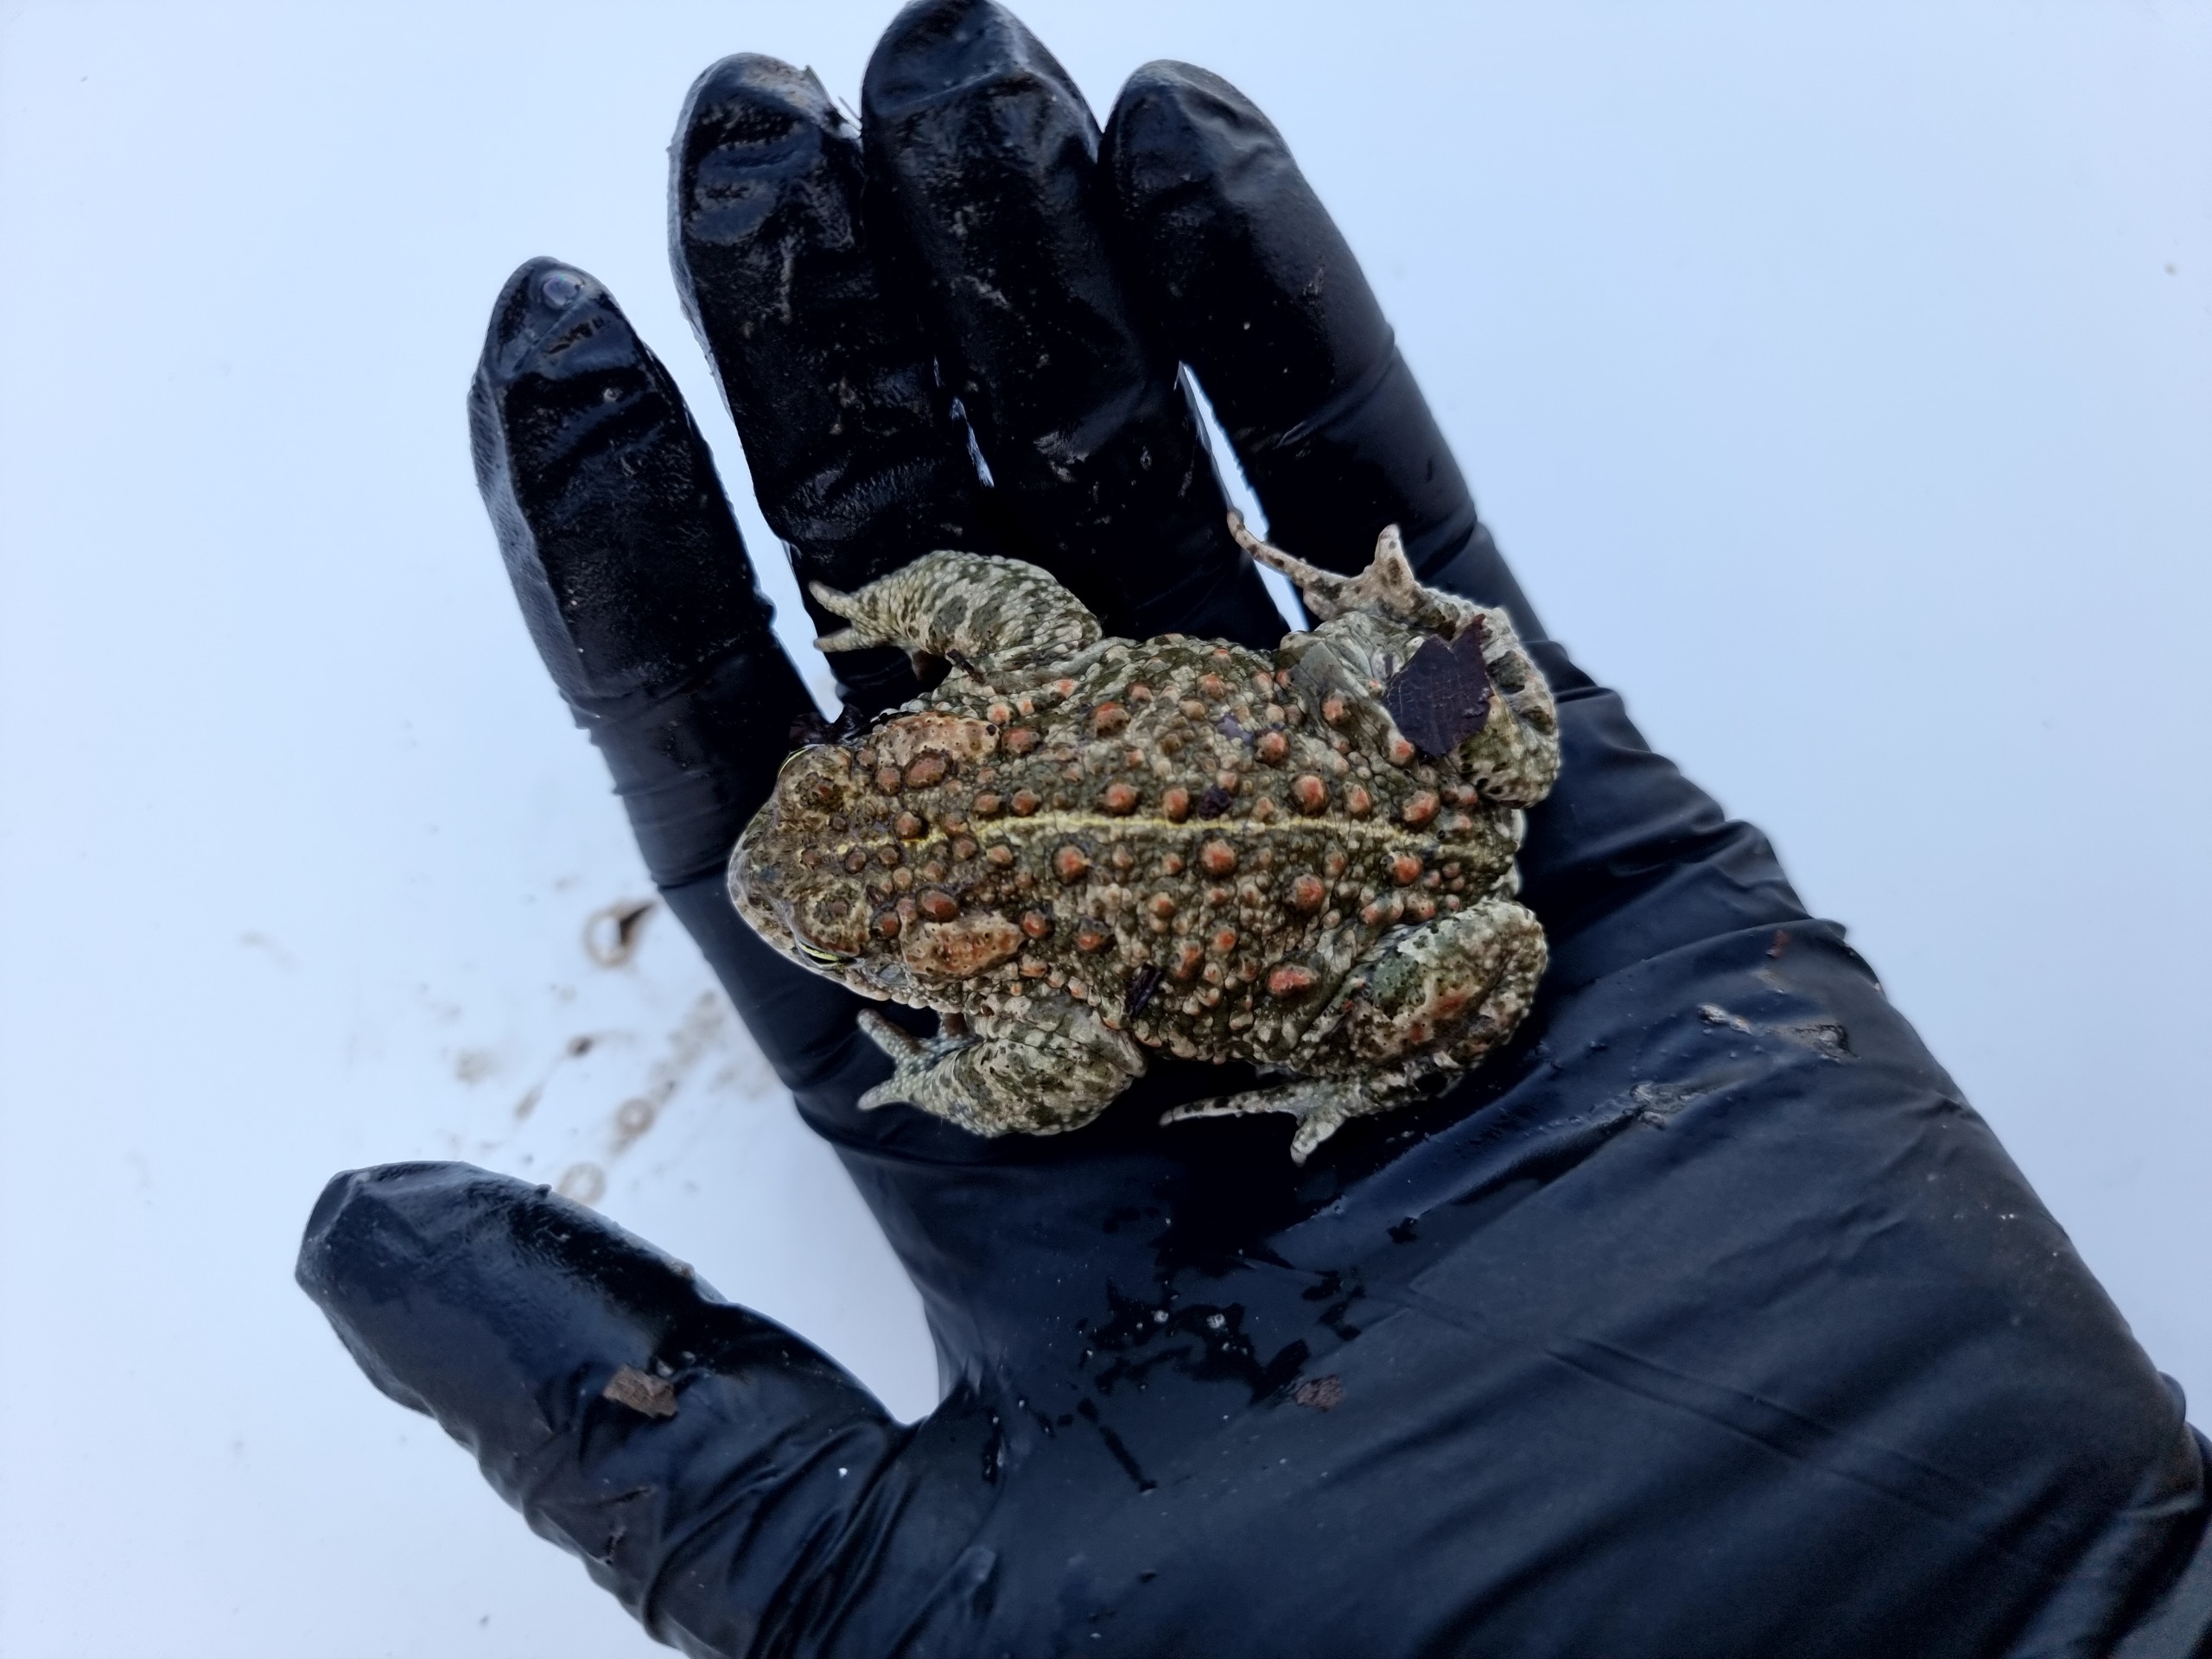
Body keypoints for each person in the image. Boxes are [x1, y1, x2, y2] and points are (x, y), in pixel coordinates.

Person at [295, 3, 2212, 1652]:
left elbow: (1065, 1060)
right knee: (1429, 687)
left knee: (1462, 909)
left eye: (862, 914)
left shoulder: (1035, 970)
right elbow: (1013, 622)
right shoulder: (1012, 714)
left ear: (935, 887)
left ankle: (1357, 927)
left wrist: (952, 1065)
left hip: (1385, 909)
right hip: (1353, 757)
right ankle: (1392, 645)